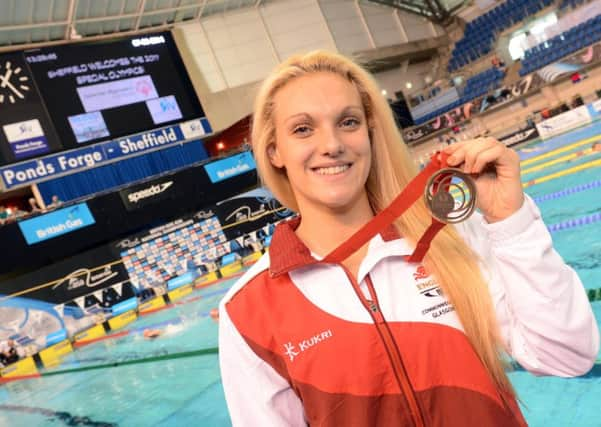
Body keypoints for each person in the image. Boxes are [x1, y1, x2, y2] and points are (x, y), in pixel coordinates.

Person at [218, 51, 599, 426]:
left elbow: (566, 356)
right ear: (274, 151)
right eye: (303, 129)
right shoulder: (248, 312)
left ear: (370, 133)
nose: (332, 144)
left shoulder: (449, 237)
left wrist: (510, 222)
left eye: (348, 122)